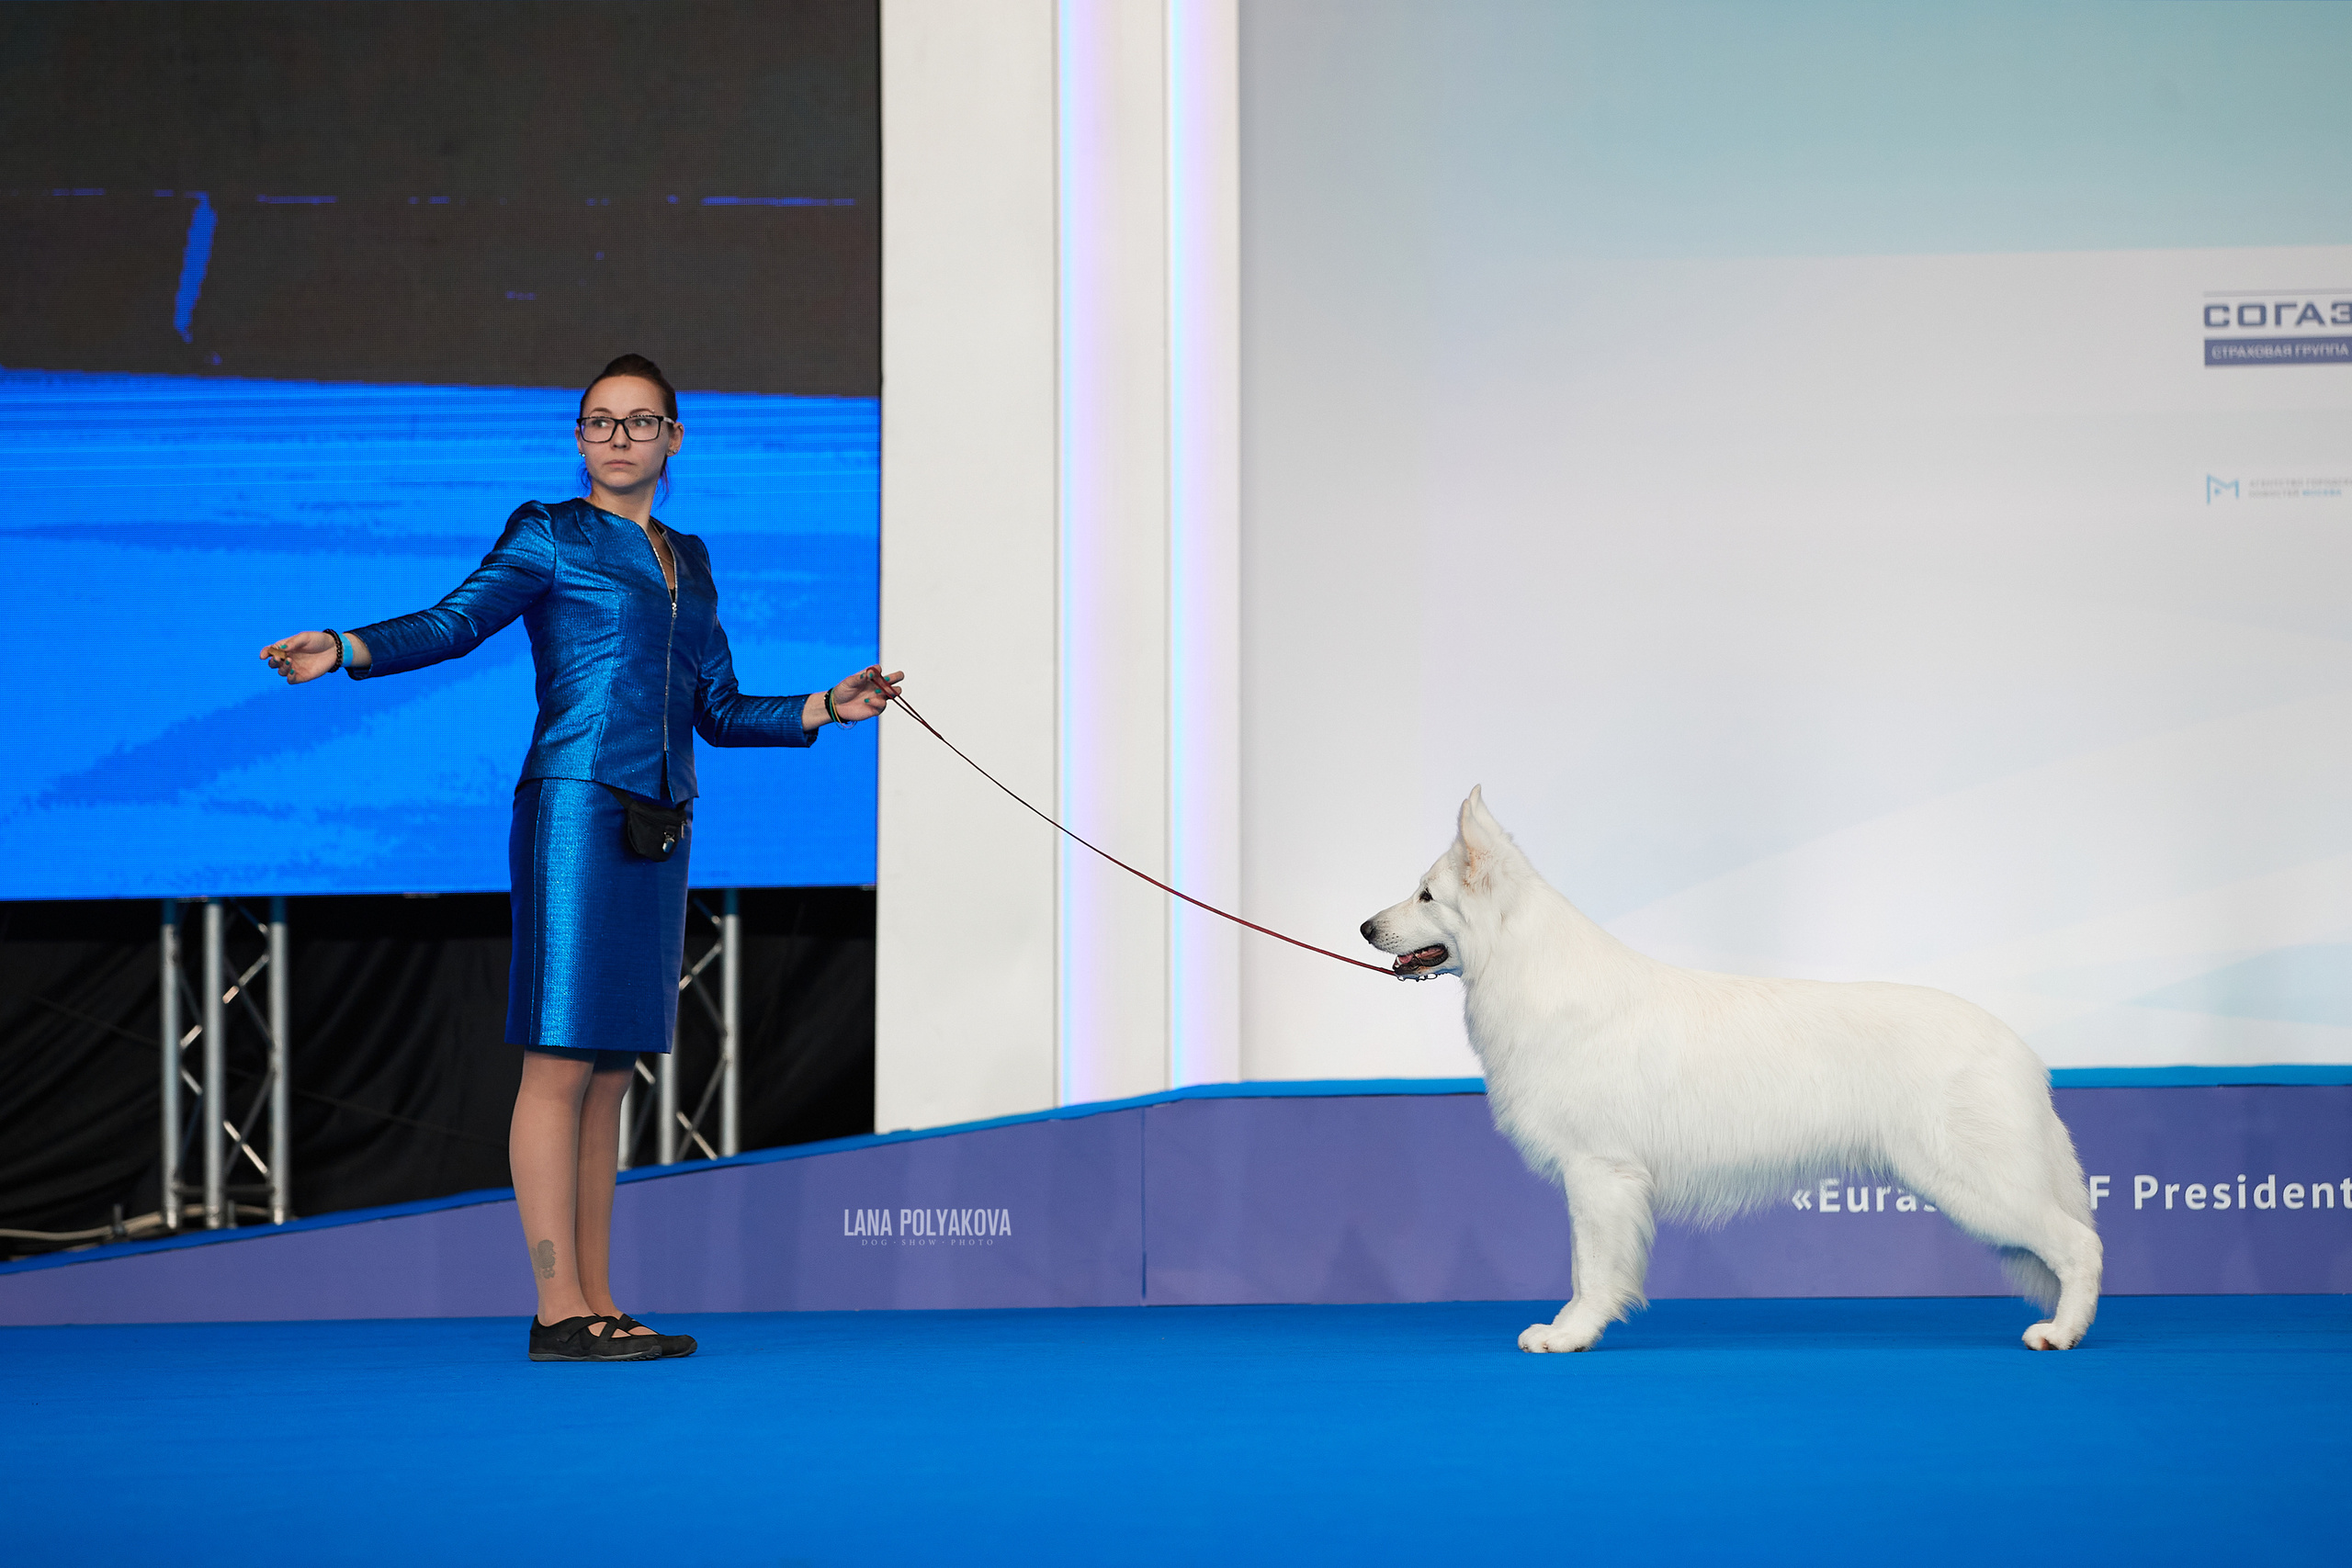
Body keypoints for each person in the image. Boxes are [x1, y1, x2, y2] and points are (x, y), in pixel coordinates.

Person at [261, 353, 901, 1362]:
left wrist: (827, 704)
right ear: (579, 437)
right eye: (600, 422)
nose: (618, 439)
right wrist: (345, 647)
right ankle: (558, 1308)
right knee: (559, 1063)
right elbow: (455, 620)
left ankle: (600, 1301)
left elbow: (720, 710)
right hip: (573, 804)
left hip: (660, 820)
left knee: (609, 1074)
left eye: (640, 423)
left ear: (673, 438)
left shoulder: (690, 557)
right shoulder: (549, 532)